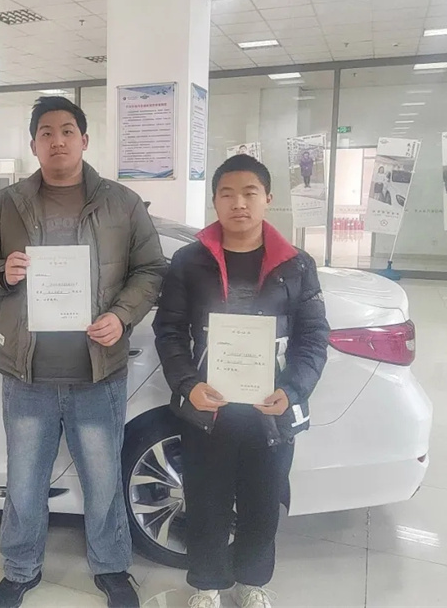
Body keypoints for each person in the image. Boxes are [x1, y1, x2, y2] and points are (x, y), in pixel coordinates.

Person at [0, 96, 166, 608]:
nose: (57, 141)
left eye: (67, 131)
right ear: (33, 144)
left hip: (98, 373)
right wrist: (2, 273)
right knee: (24, 483)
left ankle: (112, 568)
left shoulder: (123, 202)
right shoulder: (5, 204)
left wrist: (121, 315)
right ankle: (20, 569)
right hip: (26, 374)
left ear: (84, 140)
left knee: (102, 479)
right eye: (46, 133)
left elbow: (151, 270)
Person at [153, 154, 329, 608]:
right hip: (207, 408)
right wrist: (188, 384)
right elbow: (169, 331)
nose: (239, 203)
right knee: (205, 500)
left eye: (250, 193)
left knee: (263, 502)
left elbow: (313, 338)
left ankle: (252, 581)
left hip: (271, 409)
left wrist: (292, 390)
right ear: (214, 201)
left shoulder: (297, 265)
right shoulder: (189, 261)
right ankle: (207, 585)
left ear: (268, 198)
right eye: (227, 194)